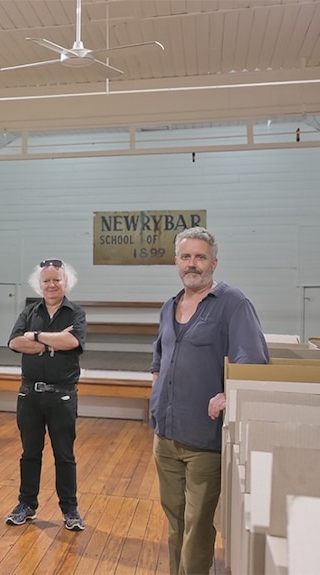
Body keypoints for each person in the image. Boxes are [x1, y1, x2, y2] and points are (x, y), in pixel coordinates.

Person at [150, 226, 269, 575]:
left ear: (214, 262)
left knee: (197, 526)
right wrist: (155, 393)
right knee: (174, 523)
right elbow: (159, 357)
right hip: (165, 437)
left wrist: (226, 392)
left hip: (205, 439)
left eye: (200, 257)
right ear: (176, 262)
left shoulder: (234, 304)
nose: (192, 264)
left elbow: (253, 361)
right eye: (186, 257)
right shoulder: (169, 306)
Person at [5, 258, 87, 531]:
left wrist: (36, 336)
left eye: (57, 280)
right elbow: (15, 342)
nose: (51, 285)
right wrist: (50, 343)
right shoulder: (29, 311)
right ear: (39, 285)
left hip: (62, 396)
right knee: (30, 453)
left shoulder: (76, 313)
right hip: (29, 395)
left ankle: (70, 509)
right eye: (46, 281)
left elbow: (72, 341)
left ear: (66, 282)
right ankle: (26, 504)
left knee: (64, 455)